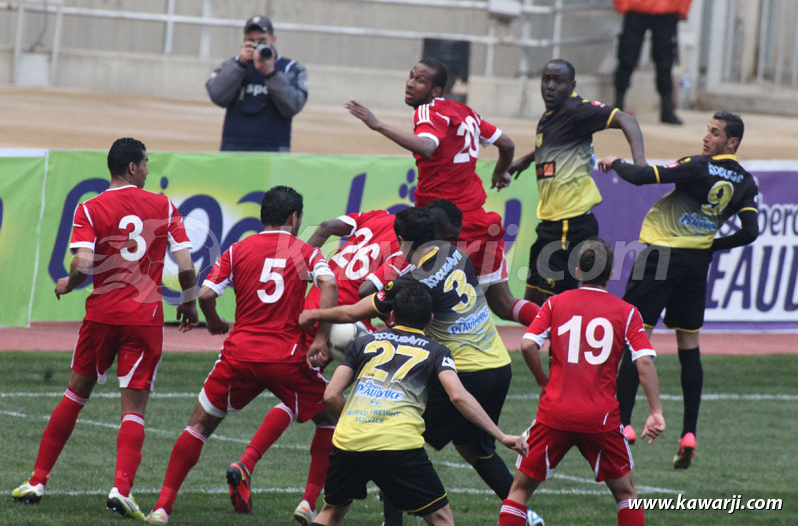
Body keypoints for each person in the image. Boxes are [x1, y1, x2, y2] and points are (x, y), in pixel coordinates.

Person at [300, 207, 542, 525]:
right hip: (498, 365)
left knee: (394, 438)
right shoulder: (458, 254)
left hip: (463, 369)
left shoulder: (411, 283)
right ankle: (526, 515)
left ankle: (393, 522)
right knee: (475, 450)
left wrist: (314, 315)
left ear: (402, 241)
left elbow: (353, 311)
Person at [11, 138, 198, 519]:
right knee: (134, 408)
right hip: (143, 319)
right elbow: (186, 264)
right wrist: (190, 302)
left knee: (75, 394)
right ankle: (121, 490)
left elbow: (83, 262)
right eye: (145, 163)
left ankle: (37, 480)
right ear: (131, 167)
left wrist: (69, 282)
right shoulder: (163, 205)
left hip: (101, 315)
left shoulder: (90, 207)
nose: (148, 169)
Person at [144, 186, 338, 524]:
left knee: (199, 425)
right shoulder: (304, 251)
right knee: (329, 420)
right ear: (294, 218)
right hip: (287, 356)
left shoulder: (237, 250)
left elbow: (205, 294)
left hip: (240, 354)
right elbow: (330, 286)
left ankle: (162, 507)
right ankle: (308, 503)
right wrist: (321, 338)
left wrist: (216, 320)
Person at [598, 111, 759, 469]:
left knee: (634, 341)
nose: (707, 137)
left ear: (731, 142)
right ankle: (689, 433)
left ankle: (623, 425)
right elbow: (750, 232)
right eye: (708, 130)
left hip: (661, 258)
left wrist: (615, 162)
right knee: (689, 347)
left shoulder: (698, 166)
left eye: (715, 133)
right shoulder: (746, 182)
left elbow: (643, 177)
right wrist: (713, 245)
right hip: (696, 265)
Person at [224, 208, 400, 524]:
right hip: (343, 320)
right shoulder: (407, 249)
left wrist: (303, 261)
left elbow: (328, 226)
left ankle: (266, 476)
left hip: (315, 305)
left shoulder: (377, 215)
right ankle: (306, 498)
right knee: (330, 406)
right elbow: (367, 292)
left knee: (306, 398)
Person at [344, 57, 541, 328]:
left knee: (387, 294)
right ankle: (554, 323)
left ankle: (373, 337)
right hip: (482, 223)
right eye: (411, 76)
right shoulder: (465, 112)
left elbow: (426, 146)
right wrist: (501, 171)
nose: (410, 83)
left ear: (436, 91)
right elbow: (506, 143)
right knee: (505, 304)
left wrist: (376, 124)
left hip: (439, 229)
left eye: (420, 80)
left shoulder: (427, 111)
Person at [313, 282, 528, 526]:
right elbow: (458, 396)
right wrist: (500, 435)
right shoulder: (437, 351)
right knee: (441, 517)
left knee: (331, 512)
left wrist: (357, 421)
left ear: (392, 315)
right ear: (430, 319)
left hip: (348, 442)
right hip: (398, 444)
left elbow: (331, 394)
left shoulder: (363, 343)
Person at [498, 238, 665, 526]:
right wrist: (655, 411)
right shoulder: (626, 312)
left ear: (576, 271)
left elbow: (527, 345)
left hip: (554, 413)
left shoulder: (554, 303)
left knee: (520, 491)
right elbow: (644, 362)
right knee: (626, 493)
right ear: (611, 273)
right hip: (600, 417)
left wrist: (542, 381)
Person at [508, 59, 646, 305]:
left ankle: (563, 342)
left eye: (558, 81)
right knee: (533, 295)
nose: (550, 86)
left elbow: (627, 120)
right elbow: (553, 145)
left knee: (556, 302)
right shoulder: (550, 115)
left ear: (571, 85)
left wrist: (640, 163)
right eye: (546, 79)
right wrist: (528, 159)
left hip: (569, 223)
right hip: (551, 221)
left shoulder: (577, 110)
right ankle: (538, 342)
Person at [206, 15, 308, 152]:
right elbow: (217, 96)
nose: (257, 46)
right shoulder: (231, 65)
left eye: (262, 41)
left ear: (273, 40)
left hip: (274, 149)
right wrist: (240, 66)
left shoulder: (291, 68)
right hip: (234, 148)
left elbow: (293, 106)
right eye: (251, 41)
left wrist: (271, 74)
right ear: (244, 41)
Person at [612, 0, 694, 124]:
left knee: (665, 62)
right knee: (627, 57)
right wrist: (623, 3)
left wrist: (682, 7)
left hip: (667, 10)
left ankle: (667, 109)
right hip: (636, 7)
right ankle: (618, 104)